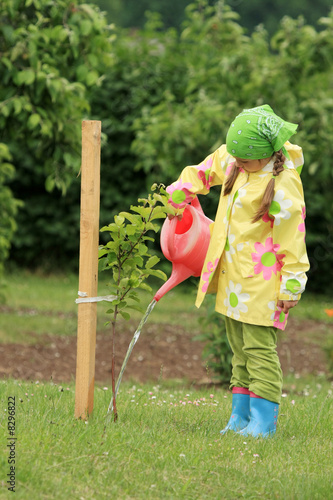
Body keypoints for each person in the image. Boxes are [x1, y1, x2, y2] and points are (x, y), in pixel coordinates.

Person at [166, 105, 309, 437]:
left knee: (259, 350)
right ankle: (240, 416)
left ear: (264, 155)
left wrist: (292, 285)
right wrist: (177, 193)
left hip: (264, 284)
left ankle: (263, 422)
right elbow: (202, 172)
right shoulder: (236, 158)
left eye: (243, 162)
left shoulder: (283, 184)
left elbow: (293, 239)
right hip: (233, 278)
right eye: (234, 159)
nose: (236, 165)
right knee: (239, 351)